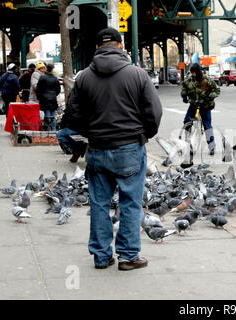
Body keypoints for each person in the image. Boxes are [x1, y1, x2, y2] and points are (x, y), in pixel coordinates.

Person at [63, 28, 163, 270]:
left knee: (99, 203)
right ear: (121, 45)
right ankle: (128, 257)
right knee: (130, 203)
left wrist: (91, 133)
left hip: (97, 149)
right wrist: (142, 135)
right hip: (129, 148)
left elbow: (72, 116)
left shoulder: (84, 77)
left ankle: (101, 256)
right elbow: (154, 113)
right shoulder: (137, 75)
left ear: (97, 48)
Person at [181, 63, 220, 167]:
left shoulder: (207, 81)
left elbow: (217, 90)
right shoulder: (189, 81)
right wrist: (184, 96)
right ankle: (187, 144)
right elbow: (184, 89)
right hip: (194, 105)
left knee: (207, 125)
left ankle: (211, 146)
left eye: (194, 72)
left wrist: (209, 97)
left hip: (205, 105)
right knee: (186, 122)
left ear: (198, 72)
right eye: (191, 72)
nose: (193, 75)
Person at [36, 63, 60, 131]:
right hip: (53, 99)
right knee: (53, 116)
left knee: (47, 115)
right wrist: (54, 94)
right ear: (52, 69)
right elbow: (58, 89)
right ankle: (54, 130)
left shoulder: (42, 77)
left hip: (44, 99)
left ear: (46, 68)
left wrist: (39, 97)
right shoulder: (55, 78)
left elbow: (38, 89)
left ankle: (48, 131)